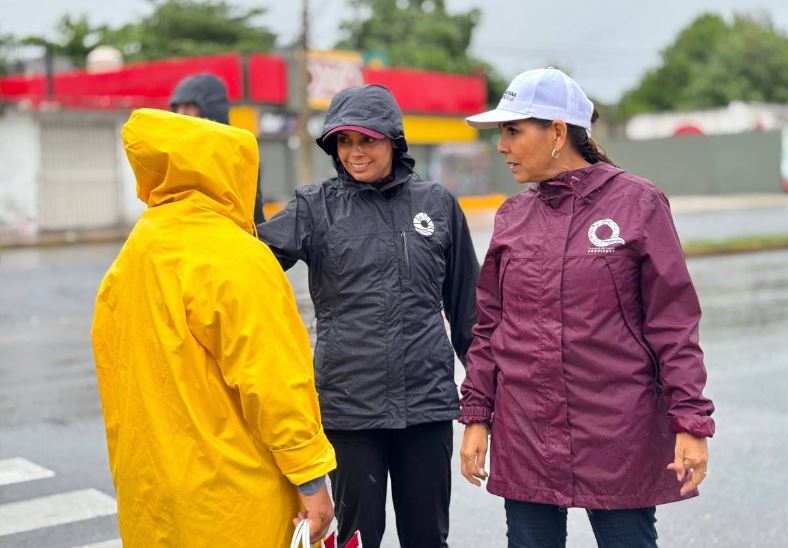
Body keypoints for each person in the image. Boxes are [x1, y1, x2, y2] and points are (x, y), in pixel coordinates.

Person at [458, 68, 715, 548]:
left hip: (616, 430)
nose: (502, 146)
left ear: (557, 132)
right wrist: (476, 415)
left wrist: (690, 422)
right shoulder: (512, 217)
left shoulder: (638, 204)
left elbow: (673, 322)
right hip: (527, 430)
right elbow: (491, 328)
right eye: (501, 133)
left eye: (513, 131)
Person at [91, 108, 336, 547]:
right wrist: (312, 481)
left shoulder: (133, 256)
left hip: (151, 493)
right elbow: (276, 384)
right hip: (233, 497)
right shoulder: (236, 258)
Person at [257, 84, 480, 547]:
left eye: (367, 140)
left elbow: (469, 313)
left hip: (426, 408)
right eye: (344, 141)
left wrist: (481, 407)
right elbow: (249, 263)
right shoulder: (314, 206)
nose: (355, 152)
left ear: (393, 142)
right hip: (349, 411)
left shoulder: (436, 204)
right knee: (355, 540)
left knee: (428, 538)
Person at [169, 72, 266, 224]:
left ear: (211, 108)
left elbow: (252, 208)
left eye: (189, 106)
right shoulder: (174, 150)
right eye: (178, 107)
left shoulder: (237, 149)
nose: (181, 113)